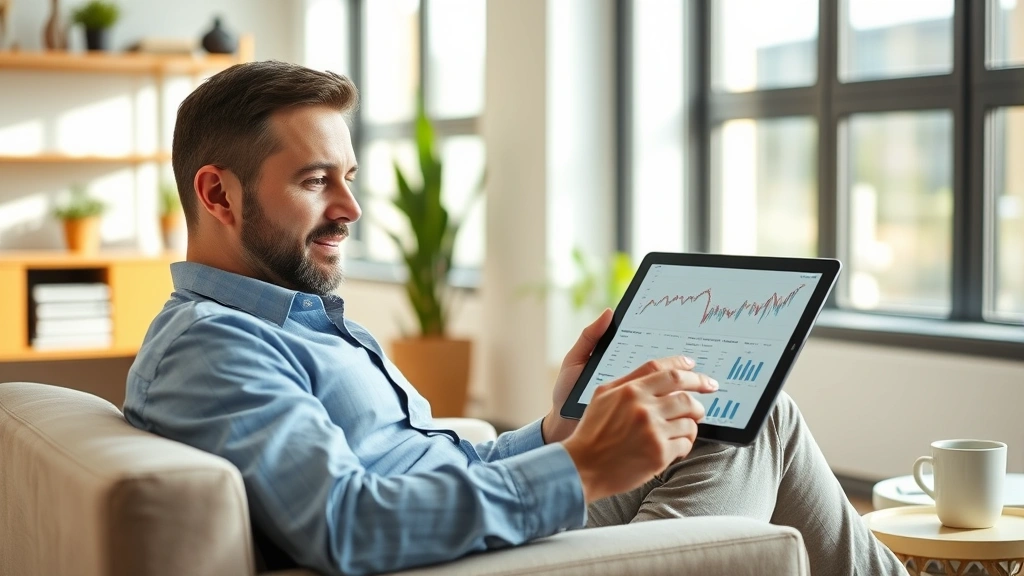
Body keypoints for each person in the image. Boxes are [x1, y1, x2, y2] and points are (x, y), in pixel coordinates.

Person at [123, 60, 906, 576]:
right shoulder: (214, 347)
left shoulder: (296, 320)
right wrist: (585, 468)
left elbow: (417, 466)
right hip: (479, 563)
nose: (351, 208)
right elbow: (349, 523)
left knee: (738, 416)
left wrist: (557, 431)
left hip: (475, 537)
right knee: (744, 426)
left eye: (350, 178)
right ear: (218, 194)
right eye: (316, 181)